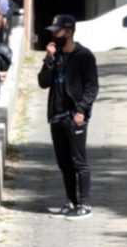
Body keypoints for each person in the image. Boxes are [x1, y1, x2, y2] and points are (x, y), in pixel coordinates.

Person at [38, 14, 98, 220]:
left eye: (58, 31)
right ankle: (70, 201)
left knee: (78, 161)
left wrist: (81, 110)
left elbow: (92, 88)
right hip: (56, 116)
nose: (54, 34)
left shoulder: (84, 56)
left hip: (74, 116)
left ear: (70, 32)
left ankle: (85, 204)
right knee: (64, 163)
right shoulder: (56, 55)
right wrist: (49, 59)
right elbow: (43, 82)